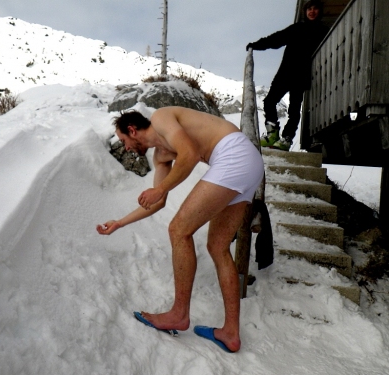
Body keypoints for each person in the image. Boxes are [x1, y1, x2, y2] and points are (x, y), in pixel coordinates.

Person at [96, 106, 264, 353]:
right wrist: (120, 222)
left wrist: (161, 188)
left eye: (124, 141)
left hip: (234, 155)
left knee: (178, 230)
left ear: (132, 130)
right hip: (248, 165)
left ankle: (178, 314)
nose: (127, 148)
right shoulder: (160, 156)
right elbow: (157, 202)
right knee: (217, 247)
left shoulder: (161, 118)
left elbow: (190, 153)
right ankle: (230, 333)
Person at [247, 0, 329, 151]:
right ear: (305, 12)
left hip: (302, 76)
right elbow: (276, 39)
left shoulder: (324, 32)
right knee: (269, 101)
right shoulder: (296, 29)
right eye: (309, 9)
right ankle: (272, 134)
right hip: (285, 73)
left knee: (293, 110)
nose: (312, 11)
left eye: (315, 9)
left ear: (319, 12)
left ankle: (286, 139)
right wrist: (257, 45)